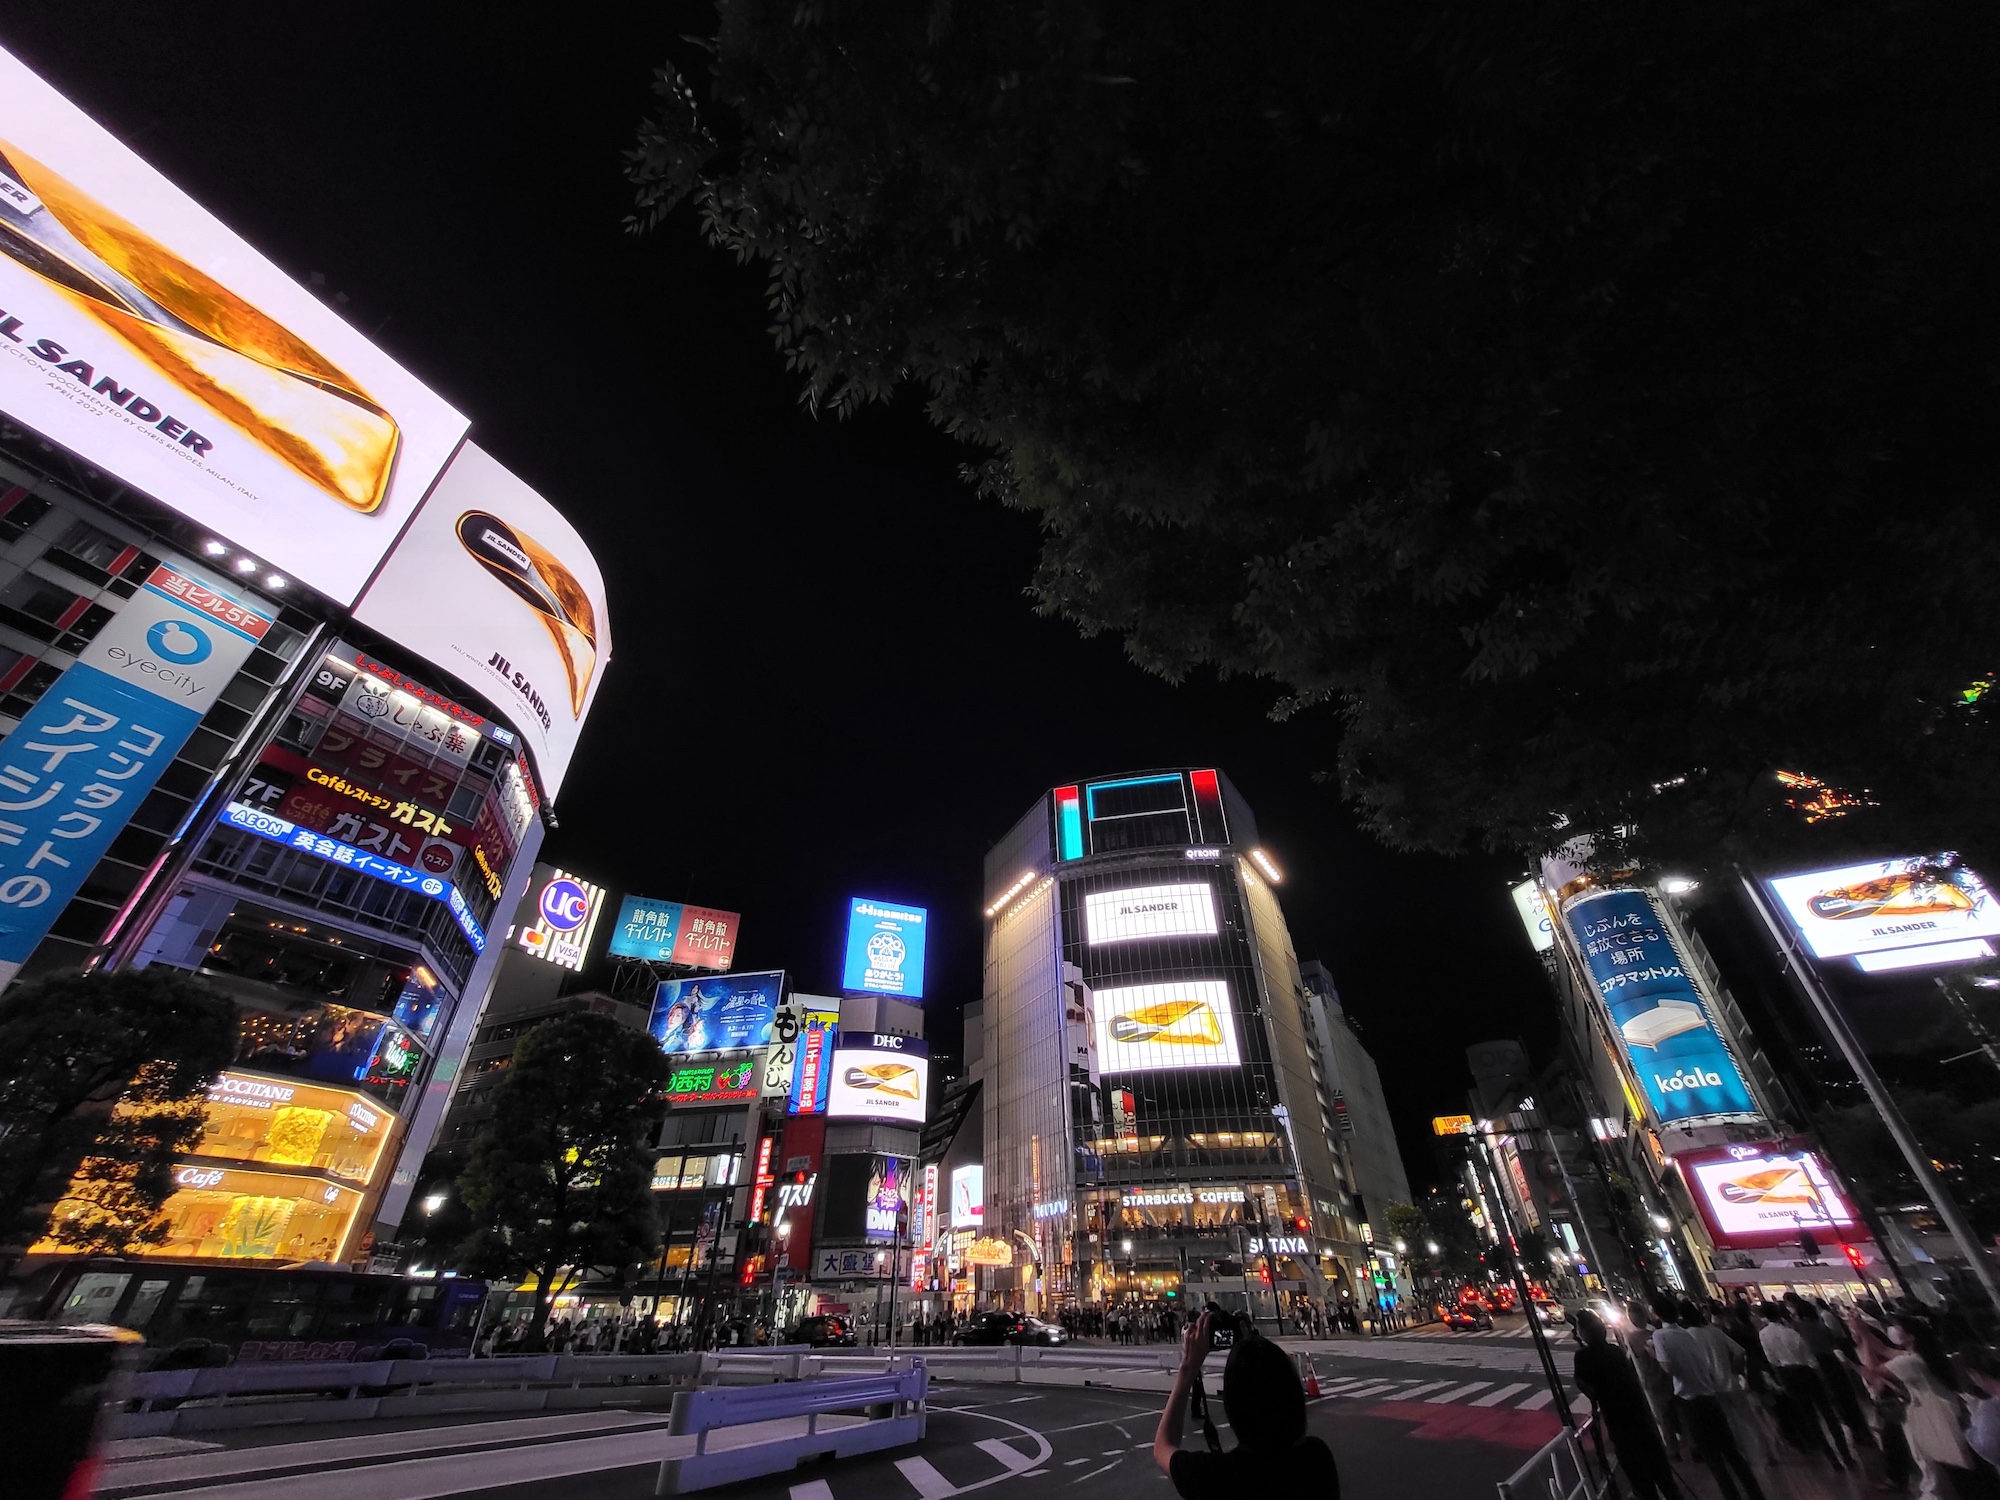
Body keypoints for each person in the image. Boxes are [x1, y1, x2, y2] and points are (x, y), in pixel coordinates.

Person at [1153, 1310, 1340, 1498]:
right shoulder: (1315, 1458)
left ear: (1233, 1407)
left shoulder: (1216, 1476)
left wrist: (1188, 1368)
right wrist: (1252, 1341)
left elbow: (1163, 1446)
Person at [1653, 1299, 1767, 1500]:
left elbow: (1669, 1368)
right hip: (1710, 1396)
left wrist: (1652, 1353)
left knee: (1713, 1458)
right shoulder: (1687, 1334)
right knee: (1732, 1451)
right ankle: (1756, 1491)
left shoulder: (1660, 1336)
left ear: (1657, 1314)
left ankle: (1732, 1495)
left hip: (1690, 1401)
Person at [1572, 1310, 1683, 1500]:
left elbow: (1586, 1385)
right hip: (1641, 1420)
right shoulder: (1615, 1351)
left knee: (1641, 1482)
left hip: (1620, 1425)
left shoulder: (1583, 1357)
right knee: (1664, 1479)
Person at [1758, 1301, 1852, 1468]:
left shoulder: (1763, 1334)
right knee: (1827, 1413)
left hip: (1787, 1374)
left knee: (1809, 1416)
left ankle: (1832, 1458)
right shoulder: (1791, 1332)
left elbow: (1771, 1358)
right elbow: (1809, 1357)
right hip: (1806, 1371)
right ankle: (1845, 1454)